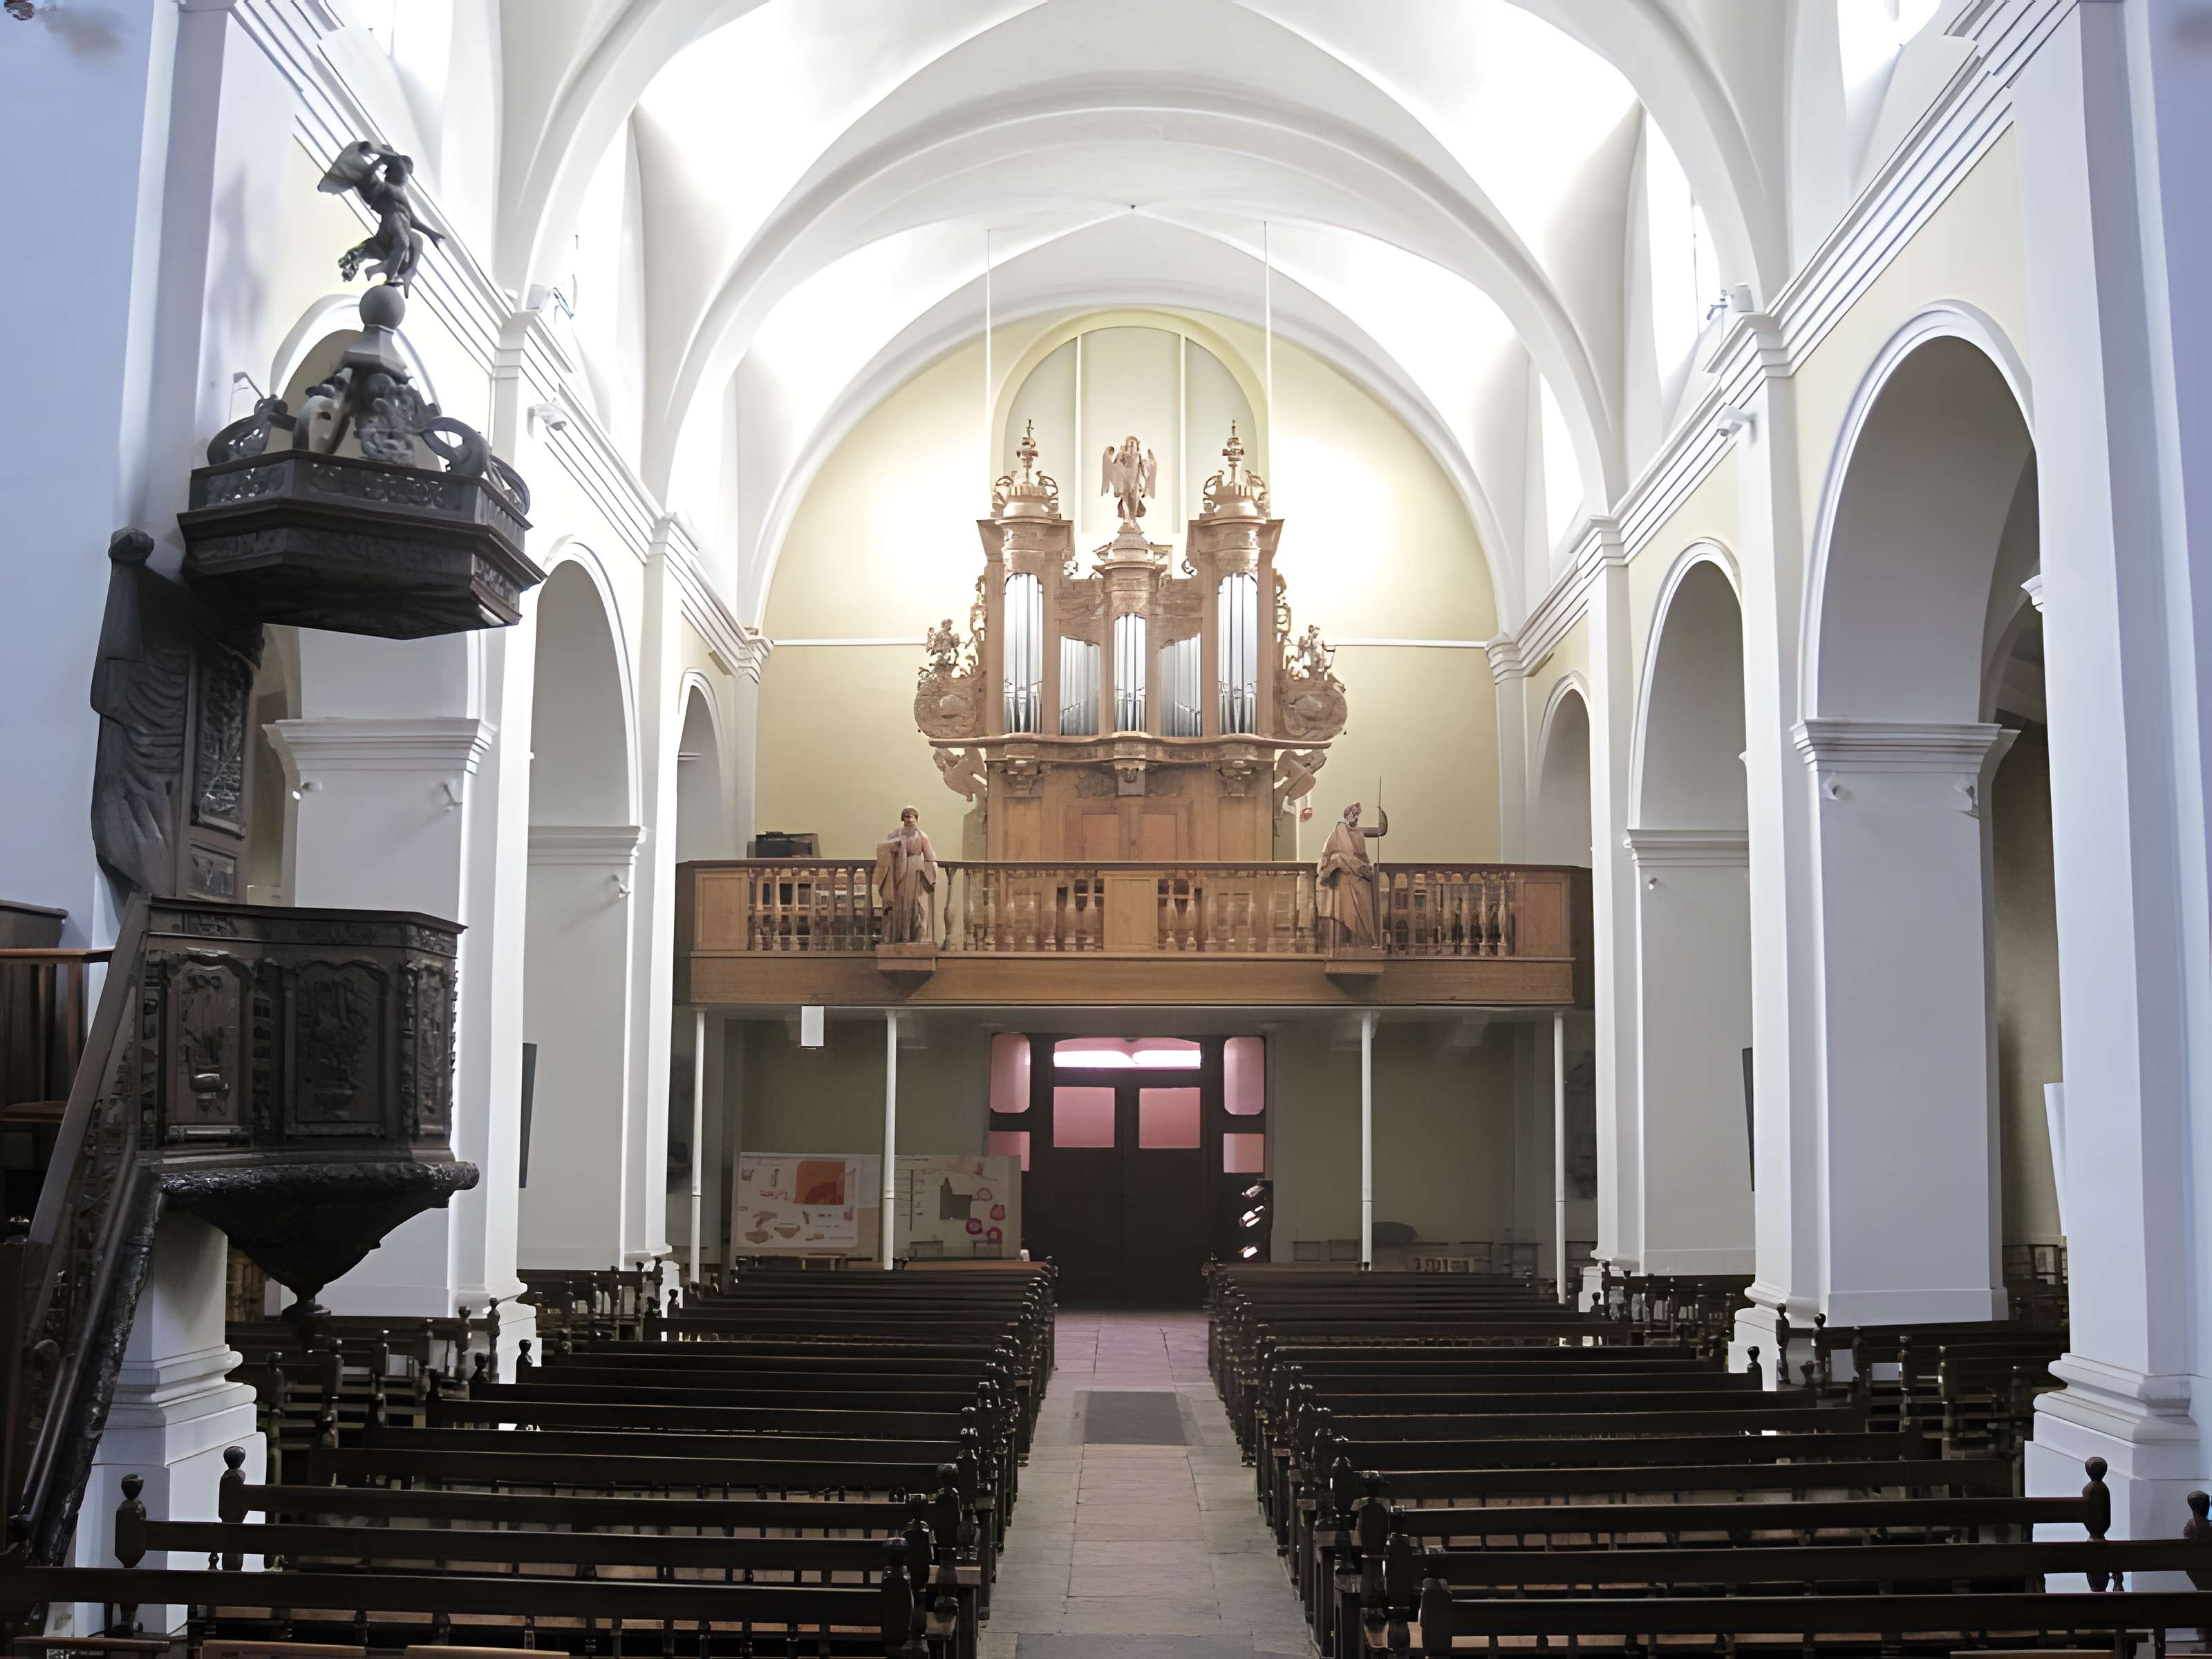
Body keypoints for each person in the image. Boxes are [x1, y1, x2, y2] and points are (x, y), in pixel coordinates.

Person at [1315, 800, 1388, 948]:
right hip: (1345, 878)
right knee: (1346, 915)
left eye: (1356, 814)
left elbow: (1381, 830)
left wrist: (1382, 815)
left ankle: (1363, 945)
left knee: (1363, 915)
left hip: (1361, 877)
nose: (1354, 816)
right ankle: (1345, 947)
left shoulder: (1358, 832)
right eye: (1351, 813)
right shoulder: (1338, 832)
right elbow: (1327, 856)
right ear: (1346, 815)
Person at [874, 805, 939, 944]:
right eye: (906, 817)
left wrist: (932, 871)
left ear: (916, 819)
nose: (909, 820)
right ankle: (901, 934)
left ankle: (916, 934)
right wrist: (894, 847)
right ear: (902, 819)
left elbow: (930, 855)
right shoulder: (897, 834)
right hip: (900, 869)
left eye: (911, 817)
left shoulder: (921, 835)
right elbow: (885, 847)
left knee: (916, 901)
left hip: (917, 869)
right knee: (901, 900)